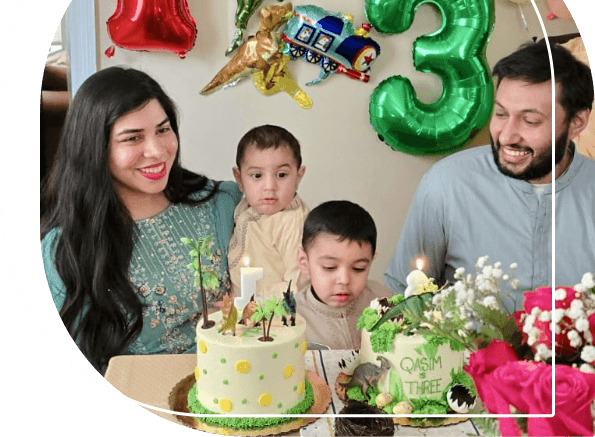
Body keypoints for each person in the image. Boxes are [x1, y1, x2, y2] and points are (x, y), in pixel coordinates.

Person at [40, 67, 241, 374]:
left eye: (163, 130)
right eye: (133, 138)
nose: (158, 151)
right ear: (95, 149)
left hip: (246, 384)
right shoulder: (64, 251)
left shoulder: (226, 203)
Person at [385, 40, 595, 311]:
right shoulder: (447, 184)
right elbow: (406, 300)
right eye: (500, 113)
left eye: (530, 121)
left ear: (577, 122)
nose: (507, 135)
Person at [295, 200, 392, 349]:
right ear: (304, 262)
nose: (344, 280)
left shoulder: (385, 303)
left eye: (358, 268)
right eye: (330, 267)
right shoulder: (290, 319)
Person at [229, 124, 309, 299]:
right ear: (239, 178)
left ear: (298, 176)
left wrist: (255, 301)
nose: (269, 187)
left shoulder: (293, 223)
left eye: (281, 175)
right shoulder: (245, 206)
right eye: (257, 176)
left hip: (273, 314)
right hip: (239, 305)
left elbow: (298, 283)